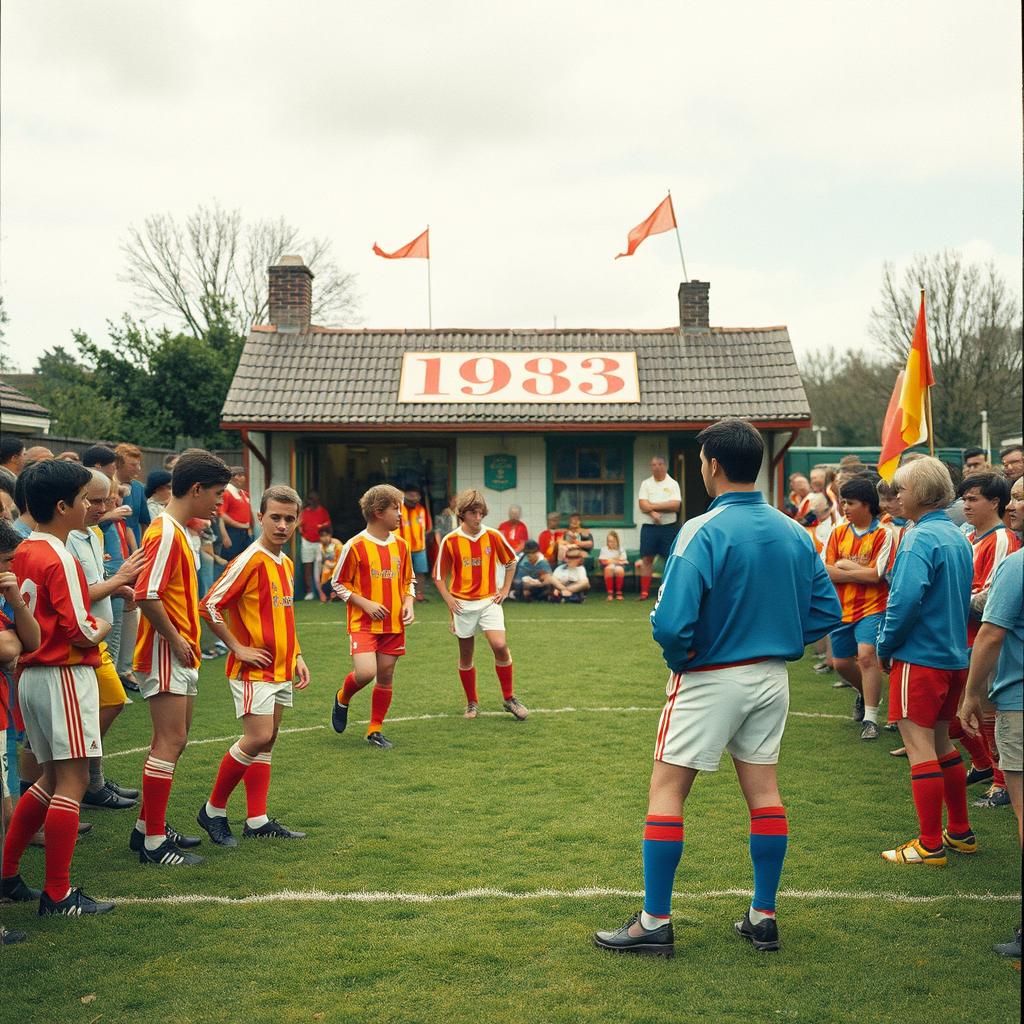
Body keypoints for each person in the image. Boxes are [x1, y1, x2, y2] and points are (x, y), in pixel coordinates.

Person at [593, 419, 841, 957]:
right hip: (771, 678)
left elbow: (670, 622)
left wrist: (687, 656)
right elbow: (827, 610)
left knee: (666, 791)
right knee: (764, 793)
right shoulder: (794, 530)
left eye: (703, 460)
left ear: (714, 466)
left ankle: (654, 921)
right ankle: (763, 917)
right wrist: (777, 637)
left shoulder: (701, 529)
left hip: (710, 676)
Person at [0, 459, 114, 916]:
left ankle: (8, 874)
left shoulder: (25, 549)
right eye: (86, 499)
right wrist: (102, 628)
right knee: (74, 780)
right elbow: (79, 628)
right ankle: (59, 893)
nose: (92, 507)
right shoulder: (59, 554)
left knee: (48, 778)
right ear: (63, 506)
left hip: (34, 675)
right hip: (63, 674)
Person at [130, 449, 232, 866]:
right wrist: (173, 638)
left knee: (173, 740)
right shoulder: (165, 532)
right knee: (169, 742)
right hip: (165, 650)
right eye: (218, 493)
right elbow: (146, 594)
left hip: (178, 649)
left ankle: (146, 829)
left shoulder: (174, 529)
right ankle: (155, 843)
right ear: (196, 489)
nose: (220, 502)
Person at [196, 485, 310, 844]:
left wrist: (298, 655)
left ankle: (257, 820)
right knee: (257, 737)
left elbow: (285, 615)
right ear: (260, 517)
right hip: (253, 669)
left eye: (289, 519)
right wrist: (237, 647)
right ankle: (213, 809)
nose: (281, 525)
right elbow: (209, 605)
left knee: (268, 740)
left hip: (280, 667)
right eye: (274, 517)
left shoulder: (285, 562)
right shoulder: (248, 559)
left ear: (297, 522)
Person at [876, 457, 975, 866]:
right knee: (941, 742)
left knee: (920, 748)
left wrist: (885, 645)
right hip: (953, 656)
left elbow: (903, 601)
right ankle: (960, 832)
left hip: (920, 657)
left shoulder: (918, 538)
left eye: (901, 488)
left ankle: (930, 843)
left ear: (921, 493)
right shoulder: (956, 536)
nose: (896, 495)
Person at [959, 473, 1024, 958]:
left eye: (1021, 498)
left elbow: (991, 633)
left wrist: (971, 693)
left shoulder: (1016, 565)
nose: (1013, 506)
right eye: (1013, 497)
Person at [66, 470, 145, 811]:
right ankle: (80, 781)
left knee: (107, 704)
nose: (104, 507)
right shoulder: (67, 539)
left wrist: (121, 585)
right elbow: (78, 595)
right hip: (81, 641)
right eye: (95, 500)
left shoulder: (93, 534)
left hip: (95, 638)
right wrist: (122, 579)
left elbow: (96, 584)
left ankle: (91, 781)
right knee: (108, 703)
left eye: (107, 499)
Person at [329, 485, 414, 750]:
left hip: (393, 625)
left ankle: (375, 729)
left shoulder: (401, 546)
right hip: (363, 623)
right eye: (396, 509)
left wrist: (409, 601)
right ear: (378, 512)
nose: (401, 515)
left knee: (386, 675)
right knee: (366, 673)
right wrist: (364, 603)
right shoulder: (354, 546)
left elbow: (408, 580)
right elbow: (338, 583)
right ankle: (343, 698)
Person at [434, 489, 527, 722]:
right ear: (462, 514)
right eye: (473, 513)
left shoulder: (493, 536)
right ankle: (472, 702)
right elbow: (438, 576)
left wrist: (504, 590)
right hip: (462, 606)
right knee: (466, 656)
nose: (478, 517)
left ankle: (509, 697)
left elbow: (511, 562)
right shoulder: (451, 540)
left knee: (500, 644)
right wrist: (449, 600)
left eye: (481, 513)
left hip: (489, 601)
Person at [956, 472, 1020, 810]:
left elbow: (990, 599)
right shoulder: (968, 537)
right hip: (964, 635)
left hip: (985, 636)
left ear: (994, 502)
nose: (965, 505)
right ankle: (988, 768)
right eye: (964, 499)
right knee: (968, 711)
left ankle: (1000, 782)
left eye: (973, 499)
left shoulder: (1001, 541)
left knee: (986, 707)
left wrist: (948, 600)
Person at [824, 476, 893, 740]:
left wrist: (845, 565)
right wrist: (859, 572)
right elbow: (826, 571)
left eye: (849, 503)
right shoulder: (837, 532)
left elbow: (877, 575)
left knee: (866, 655)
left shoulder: (884, 533)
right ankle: (865, 694)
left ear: (866, 504)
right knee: (841, 663)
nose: (844, 508)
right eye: (842, 503)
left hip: (873, 606)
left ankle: (871, 720)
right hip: (842, 608)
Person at [0, 517, 40, 943]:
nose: (14, 569)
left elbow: (26, 641)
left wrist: (15, 598)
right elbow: (6, 647)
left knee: (6, 808)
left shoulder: (4, 596)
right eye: (8, 562)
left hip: (2, 716)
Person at [636, 456, 682, 600]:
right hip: (649, 527)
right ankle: (644, 592)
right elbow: (642, 504)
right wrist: (652, 511)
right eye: (653, 464)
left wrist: (652, 506)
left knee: (669, 559)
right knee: (646, 559)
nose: (656, 467)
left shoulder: (673, 484)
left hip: (669, 527)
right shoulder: (646, 484)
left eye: (659, 464)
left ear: (665, 466)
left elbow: (675, 506)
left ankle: (667, 591)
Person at [399, 485, 433, 602]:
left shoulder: (422, 510)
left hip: (420, 548)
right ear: (404, 495)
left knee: (420, 573)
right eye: (411, 495)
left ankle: (419, 595)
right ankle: (405, 595)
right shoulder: (398, 510)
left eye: (416, 495)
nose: (414, 498)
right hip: (402, 549)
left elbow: (428, 528)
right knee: (403, 574)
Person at [297, 490, 331, 600]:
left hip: (319, 544)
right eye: (310, 499)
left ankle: (322, 591)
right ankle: (309, 592)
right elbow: (299, 525)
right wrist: (302, 532)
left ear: (317, 500)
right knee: (307, 567)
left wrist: (327, 541)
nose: (311, 501)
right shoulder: (304, 512)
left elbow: (328, 527)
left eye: (313, 499)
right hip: (307, 542)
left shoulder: (323, 512)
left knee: (322, 568)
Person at [219, 466, 253, 560]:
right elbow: (221, 515)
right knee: (232, 562)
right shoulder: (226, 492)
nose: (244, 478)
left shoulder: (243, 493)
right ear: (236, 477)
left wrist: (249, 529)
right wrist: (225, 536)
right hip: (232, 533)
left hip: (245, 533)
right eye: (241, 475)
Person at [317, 524, 344, 602]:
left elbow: (342, 563)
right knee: (324, 588)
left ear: (330, 535)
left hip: (339, 574)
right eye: (322, 536)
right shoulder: (320, 547)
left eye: (326, 535)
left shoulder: (337, 545)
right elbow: (320, 565)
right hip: (328, 575)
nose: (325, 538)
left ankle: (337, 593)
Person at [599, 530, 628, 600]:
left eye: (613, 541)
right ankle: (610, 593)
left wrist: (611, 560)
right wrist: (615, 560)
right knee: (610, 568)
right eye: (609, 541)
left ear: (617, 541)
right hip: (607, 566)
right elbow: (602, 561)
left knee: (619, 569)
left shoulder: (621, 549)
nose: (610, 543)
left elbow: (624, 561)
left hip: (619, 566)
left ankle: (618, 593)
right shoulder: (604, 549)